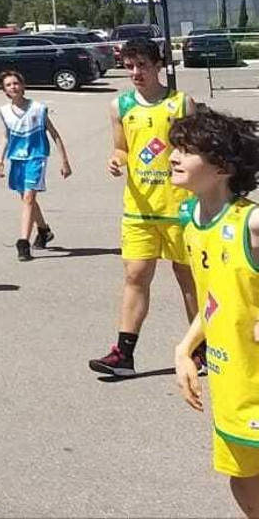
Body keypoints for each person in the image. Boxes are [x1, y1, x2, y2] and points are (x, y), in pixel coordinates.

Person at [89, 36, 198, 377]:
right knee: (135, 276)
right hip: (138, 208)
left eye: (143, 66)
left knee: (188, 278)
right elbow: (122, 148)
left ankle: (201, 349)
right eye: (130, 66)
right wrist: (116, 160)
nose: (136, 72)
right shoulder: (120, 107)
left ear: (158, 66)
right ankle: (124, 354)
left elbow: (195, 152)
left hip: (178, 208)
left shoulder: (181, 104)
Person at [169, 106, 259, 518]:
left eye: (187, 151)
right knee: (243, 481)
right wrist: (186, 348)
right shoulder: (191, 221)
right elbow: (213, 300)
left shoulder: (252, 222)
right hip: (233, 381)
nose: (173, 157)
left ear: (221, 166)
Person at [0, 69, 73, 261]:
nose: (13, 87)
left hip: (36, 157)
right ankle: (44, 230)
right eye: (8, 85)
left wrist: (65, 161)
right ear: (4, 91)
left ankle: (23, 243)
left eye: (15, 83)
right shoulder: (4, 112)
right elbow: (6, 136)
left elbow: (54, 134)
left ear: (23, 85)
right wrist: (0, 159)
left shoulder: (38, 108)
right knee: (26, 199)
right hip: (17, 159)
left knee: (29, 198)